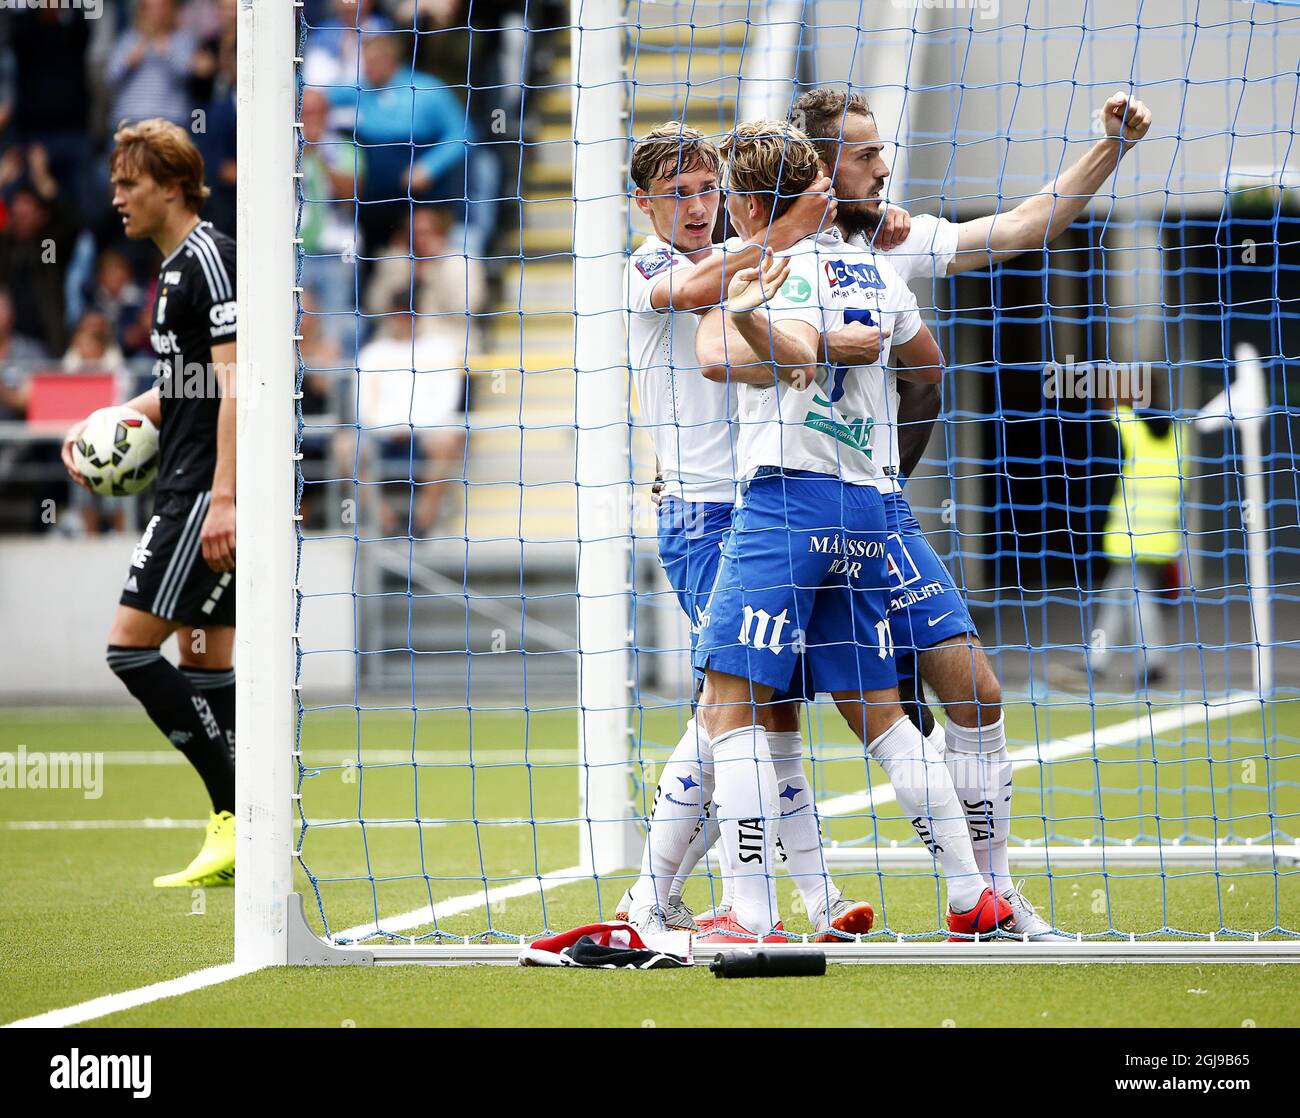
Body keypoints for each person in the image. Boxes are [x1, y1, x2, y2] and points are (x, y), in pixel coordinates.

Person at [787, 86, 1150, 920]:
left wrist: (1111, 148)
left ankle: (992, 898)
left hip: (877, 508)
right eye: (865, 153)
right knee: (757, 715)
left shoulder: (890, 247)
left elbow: (1024, 227)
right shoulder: (758, 254)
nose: (885, 165)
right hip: (782, 509)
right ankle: (701, 901)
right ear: (814, 167)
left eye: (883, 150)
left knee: (976, 692)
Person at [616, 122, 890, 940]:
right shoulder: (649, 266)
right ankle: (660, 895)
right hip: (701, 513)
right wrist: (792, 224)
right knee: (730, 702)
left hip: (764, 505)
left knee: (768, 712)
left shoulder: (753, 254)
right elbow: (700, 292)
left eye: (708, 191)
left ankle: (812, 900)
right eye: (678, 195)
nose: (697, 208)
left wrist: (858, 222)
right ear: (644, 205)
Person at [60, 118, 238, 889]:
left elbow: (239, 383)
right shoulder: (170, 272)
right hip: (191, 481)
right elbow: (184, 388)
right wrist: (110, 422)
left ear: (171, 184)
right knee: (205, 659)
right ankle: (238, 833)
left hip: (203, 492)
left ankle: (237, 809)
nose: (117, 197)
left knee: (129, 648)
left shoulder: (210, 259)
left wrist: (227, 497)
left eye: (129, 184)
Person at [354, 296, 468, 536]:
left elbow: (447, 402)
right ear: (389, 318)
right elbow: (364, 405)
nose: (404, 322)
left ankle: (422, 523)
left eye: (409, 315)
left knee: (449, 440)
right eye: (399, 315)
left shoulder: (441, 349)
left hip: (425, 433)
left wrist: (410, 427)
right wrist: (391, 428)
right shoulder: (373, 354)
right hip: (382, 436)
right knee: (347, 448)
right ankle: (386, 523)